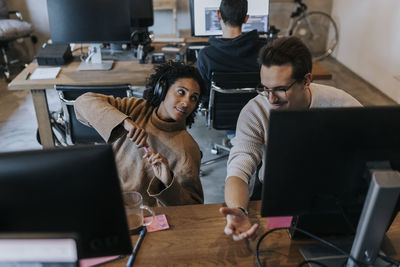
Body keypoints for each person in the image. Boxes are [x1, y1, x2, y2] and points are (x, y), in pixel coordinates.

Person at [220, 36, 362, 241]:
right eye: (265, 88)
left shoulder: (342, 105)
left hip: (334, 195)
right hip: (279, 196)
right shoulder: (255, 111)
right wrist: (238, 210)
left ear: (306, 80)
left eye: (280, 89)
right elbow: (238, 170)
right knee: (279, 244)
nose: (271, 98)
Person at [74, 61, 206, 207]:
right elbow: (82, 102)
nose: (186, 102)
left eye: (193, 98)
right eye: (181, 92)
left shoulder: (187, 148)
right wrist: (124, 121)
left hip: (139, 213)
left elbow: (193, 207)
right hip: (102, 194)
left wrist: (168, 182)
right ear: (161, 89)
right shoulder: (136, 108)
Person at [196, 0, 267, 101]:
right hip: (255, 114)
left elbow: (203, 95)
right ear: (246, 18)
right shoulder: (264, 52)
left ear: (218, 15)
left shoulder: (206, 55)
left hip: (220, 115)